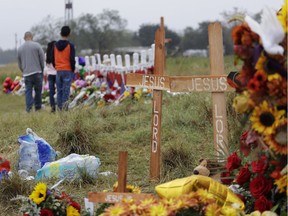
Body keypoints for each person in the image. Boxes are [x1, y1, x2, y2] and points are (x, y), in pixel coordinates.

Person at [17, 31, 45, 113]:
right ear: (32, 37)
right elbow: (42, 58)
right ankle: (38, 107)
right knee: (38, 91)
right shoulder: (37, 46)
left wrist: (24, 70)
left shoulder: (20, 48)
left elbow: (19, 63)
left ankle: (29, 109)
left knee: (28, 91)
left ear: (24, 38)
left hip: (27, 73)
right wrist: (42, 69)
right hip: (37, 72)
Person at [52, 26, 76, 111]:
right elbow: (72, 59)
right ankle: (65, 109)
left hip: (58, 70)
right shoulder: (70, 46)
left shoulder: (55, 46)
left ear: (60, 33)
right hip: (67, 70)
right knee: (66, 90)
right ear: (69, 34)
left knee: (59, 90)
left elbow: (52, 58)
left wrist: (56, 66)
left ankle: (59, 108)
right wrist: (73, 69)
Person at [44, 41, 57, 113]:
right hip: (57, 73)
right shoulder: (56, 53)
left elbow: (46, 65)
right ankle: (60, 105)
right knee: (59, 90)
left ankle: (53, 107)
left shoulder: (46, 55)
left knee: (51, 91)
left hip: (50, 74)